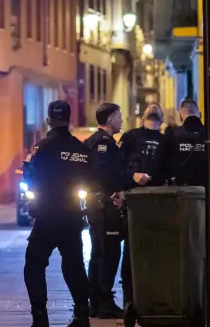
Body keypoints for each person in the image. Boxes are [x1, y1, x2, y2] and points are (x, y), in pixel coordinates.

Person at [23, 100, 94, 327]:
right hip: (72, 215)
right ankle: (82, 316)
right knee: (74, 265)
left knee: (34, 264)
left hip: (46, 216)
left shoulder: (43, 147)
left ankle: (40, 318)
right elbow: (90, 180)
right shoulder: (81, 149)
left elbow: (31, 177)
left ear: (48, 121)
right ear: (70, 120)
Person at [82, 103, 131, 319]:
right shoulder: (103, 143)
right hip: (104, 207)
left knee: (98, 253)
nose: (122, 120)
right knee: (108, 254)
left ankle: (95, 301)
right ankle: (104, 301)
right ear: (110, 119)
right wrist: (116, 193)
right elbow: (103, 172)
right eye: (119, 116)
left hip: (98, 205)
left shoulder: (96, 141)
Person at [116, 104, 166, 313]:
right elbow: (116, 166)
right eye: (149, 106)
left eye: (157, 107)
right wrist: (131, 179)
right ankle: (130, 299)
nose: (153, 106)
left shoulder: (167, 141)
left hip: (159, 204)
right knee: (131, 250)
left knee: (156, 251)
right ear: (142, 116)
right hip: (133, 202)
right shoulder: (131, 137)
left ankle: (154, 297)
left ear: (162, 119)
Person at [155, 99, 208, 188]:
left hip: (180, 192)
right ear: (200, 114)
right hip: (208, 192)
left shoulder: (172, 134)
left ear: (180, 116)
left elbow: (160, 164)